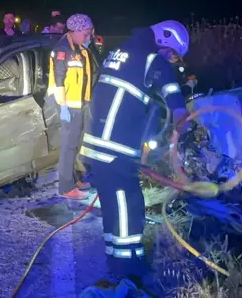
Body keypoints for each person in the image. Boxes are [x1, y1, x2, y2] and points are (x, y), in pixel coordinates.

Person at [80, 20, 190, 286]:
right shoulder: (151, 57)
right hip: (114, 146)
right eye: (172, 53)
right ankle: (128, 267)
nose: (170, 60)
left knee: (111, 203)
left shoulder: (123, 51)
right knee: (127, 204)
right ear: (165, 39)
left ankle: (115, 258)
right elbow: (171, 88)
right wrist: (181, 114)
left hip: (98, 143)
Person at [47, 13, 96, 200]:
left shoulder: (79, 48)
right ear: (75, 31)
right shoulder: (63, 50)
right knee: (68, 147)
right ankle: (66, 187)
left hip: (80, 104)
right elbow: (59, 80)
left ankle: (74, 178)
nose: (89, 37)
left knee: (75, 145)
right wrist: (64, 106)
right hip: (68, 105)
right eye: (86, 33)